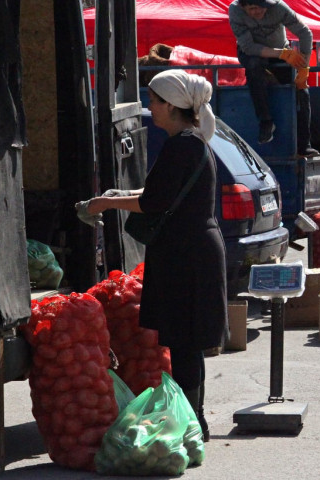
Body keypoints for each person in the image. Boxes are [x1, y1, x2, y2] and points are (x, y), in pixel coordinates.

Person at [84, 70, 227, 440]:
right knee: (186, 343)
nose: (150, 107)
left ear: (171, 105)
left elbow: (153, 201)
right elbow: (159, 191)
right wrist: (118, 194)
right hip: (191, 252)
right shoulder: (191, 142)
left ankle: (192, 423)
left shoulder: (183, 145)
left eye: (153, 101)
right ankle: (193, 420)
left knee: (185, 342)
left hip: (188, 255)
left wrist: (105, 202)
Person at [227, 0, 318, 156]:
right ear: (243, 7)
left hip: (281, 50)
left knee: (301, 91)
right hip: (253, 53)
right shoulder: (235, 11)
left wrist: (304, 66)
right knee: (254, 66)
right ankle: (266, 121)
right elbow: (248, 47)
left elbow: (305, 33)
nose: (257, 12)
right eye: (252, 9)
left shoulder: (278, 7)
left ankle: (304, 144)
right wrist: (280, 54)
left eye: (260, 7)